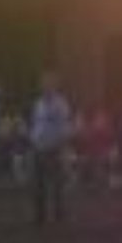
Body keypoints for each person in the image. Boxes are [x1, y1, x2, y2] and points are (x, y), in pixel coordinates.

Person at [29, 69, 74, 225]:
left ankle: (59, 216)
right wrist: (33, 139)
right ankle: (39, 217)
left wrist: (62, 147)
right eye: (43, 83)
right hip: (38, 147)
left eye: (49, 83)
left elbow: (65, 126)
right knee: (38, 185)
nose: (45, 86)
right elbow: (36, 124)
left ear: (55, 86)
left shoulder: (61, 103)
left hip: (54, 148)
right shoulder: (38, 103)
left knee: (56, 185)